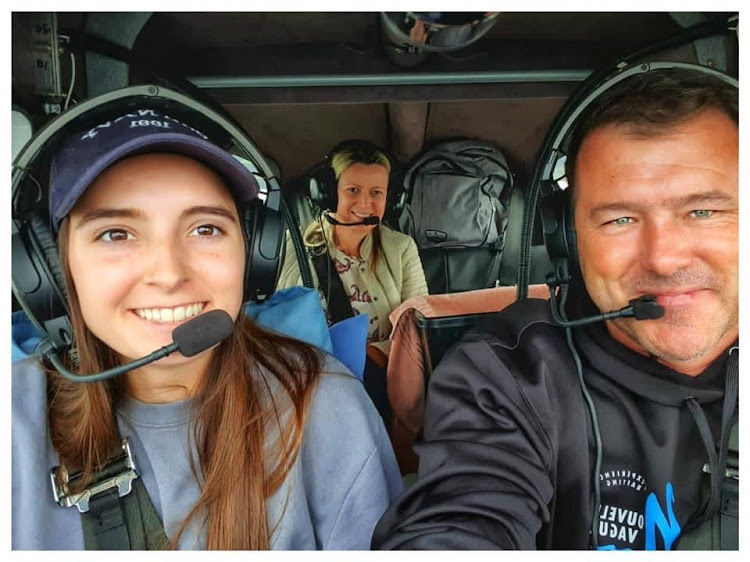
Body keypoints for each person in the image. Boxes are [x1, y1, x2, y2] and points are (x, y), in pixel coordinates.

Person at [371, 67, 738, 550]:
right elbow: (462, 517)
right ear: (566, 239)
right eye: (620, 219)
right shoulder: (510, 373)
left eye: (704, 211)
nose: (665, 257)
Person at [12, 107, 403, 550]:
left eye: (205, 228)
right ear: (47, 270)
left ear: (255, 256)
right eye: (116, 234)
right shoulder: (15, 420)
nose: (168, 274)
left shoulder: (324, 405)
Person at [277, 140, 428, 422]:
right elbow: (280, 327)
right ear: (329, 194)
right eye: (353, 190)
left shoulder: (402, 248)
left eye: (376, 193)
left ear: (390, 199)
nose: (365, 203)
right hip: (311, 383)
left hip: (381, 381)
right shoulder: (295, 246)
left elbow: (417, 328)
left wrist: (373, 355)